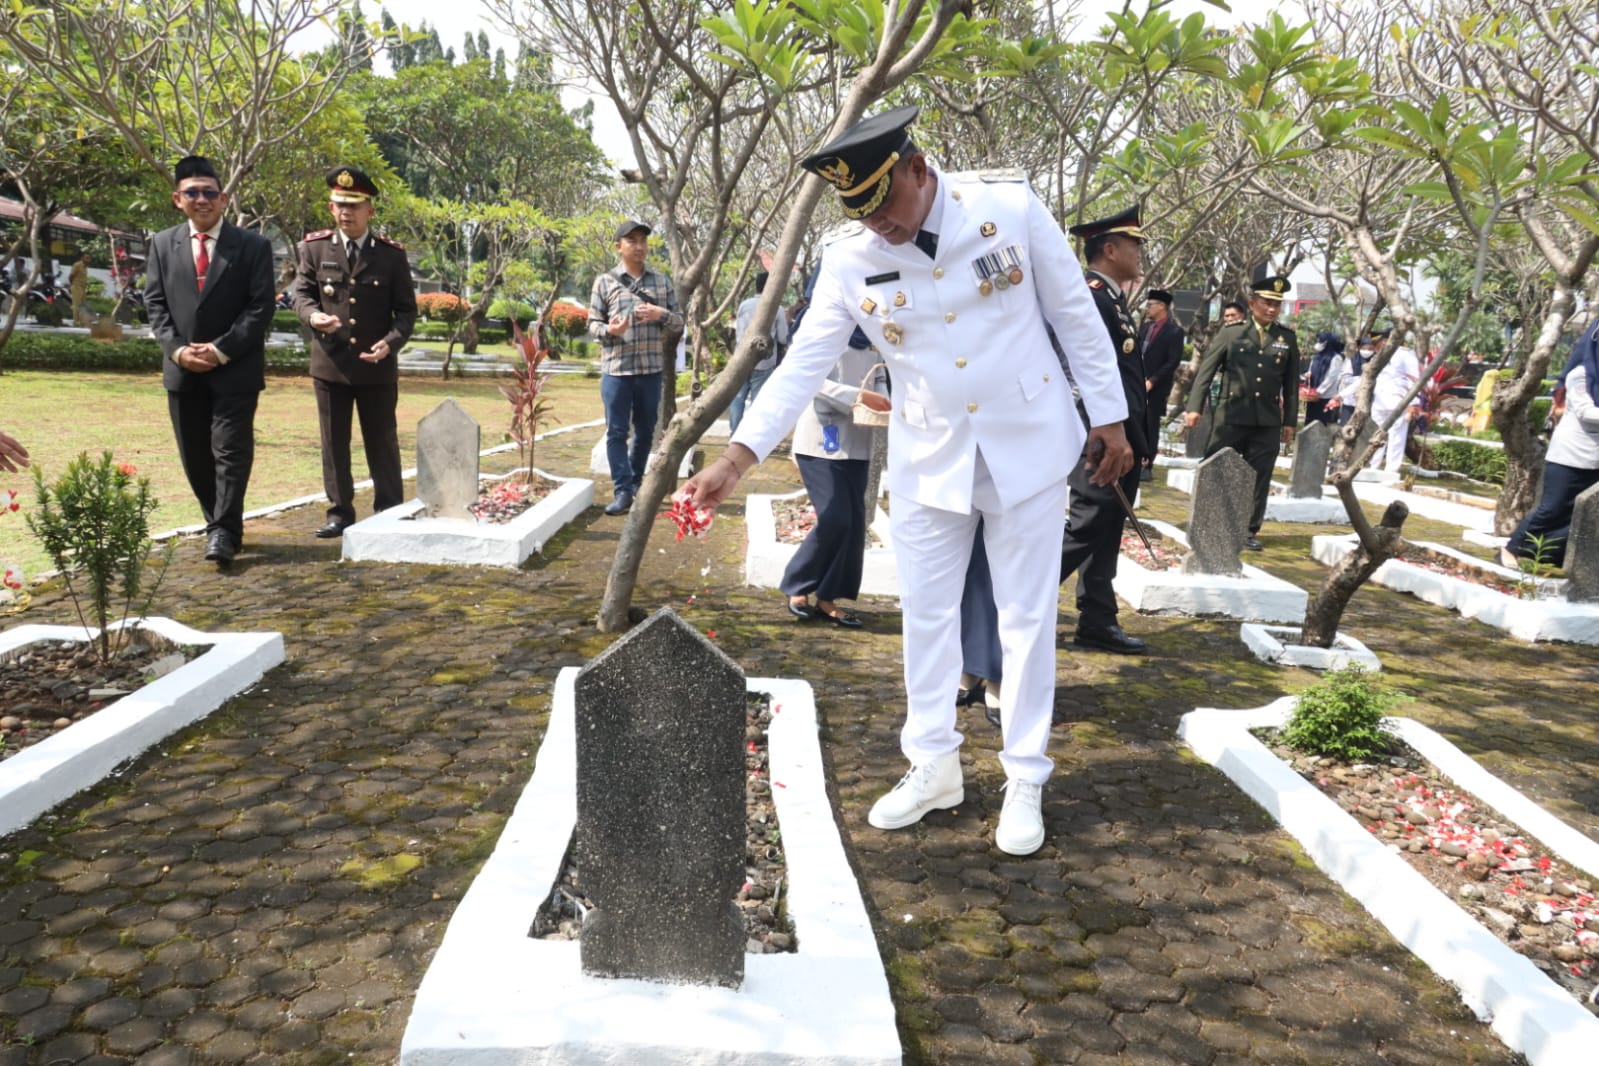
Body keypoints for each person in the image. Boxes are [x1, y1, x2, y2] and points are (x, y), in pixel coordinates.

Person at [678, 106, 1132, 857]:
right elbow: (802, 362)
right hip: (929, 456)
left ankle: (1024, 776)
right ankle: (932, 765)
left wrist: (1108, 418)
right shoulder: (851, 253)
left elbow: (1075, 316)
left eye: (884, 205)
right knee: (926, 617)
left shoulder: (1008, 206)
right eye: (860, 213)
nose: (878, 226)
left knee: (1022, 621)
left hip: (1026, 445)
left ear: (918, 169)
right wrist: (737, 456)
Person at [145, 155, 275, 565]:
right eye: (192, 193)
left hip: (235, 369)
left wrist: (220, 349)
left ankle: (222, 531)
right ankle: (217, 523)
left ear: (224, 198)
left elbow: (260, 308)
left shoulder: (254, 246)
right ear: (177, 199)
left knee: (230, 451)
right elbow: (154, 303)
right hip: (182, 371)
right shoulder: (162, 244)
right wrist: (178, 350)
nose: (202, 200)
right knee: (196, 455)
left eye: (210, 193)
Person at [292, 166, 417, 538]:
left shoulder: (391, 256)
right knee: (333, 443)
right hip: (330, 365)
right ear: (331, 208)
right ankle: (339, 512)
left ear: (371, 211)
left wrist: (391, 343)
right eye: (339, 204)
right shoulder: (313, 248)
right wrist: (314, 316)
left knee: (382, 441)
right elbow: (300, 294)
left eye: (354, 205)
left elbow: (407, 311)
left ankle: (389, 509)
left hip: (376, 366)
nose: (346, 212)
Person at [1184, 276, 1301, 552]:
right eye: (1267, 303)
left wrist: (1289, 422)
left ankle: (1248, 529)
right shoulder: (1231, 333)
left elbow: (1291, 384)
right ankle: (1205, 519)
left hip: (1267, 420)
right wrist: (1193, 407)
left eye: (1277, 304)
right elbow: (1206, 371)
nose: (1272, 309)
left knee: (1260, 476)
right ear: (1253, 304)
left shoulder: (1286, 337)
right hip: (1231, 416)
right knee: (1215, 468)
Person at [780, 345, 887, 627]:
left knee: (853, 524)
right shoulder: (829, 331)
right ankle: (798, 584)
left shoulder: (875, 334)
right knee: (835, 517)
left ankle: (828, 598)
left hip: (859, 443)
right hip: (819, 442)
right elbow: (812, 380)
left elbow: (879, 379)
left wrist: (883, 401)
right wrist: (859, 398)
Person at [587, 219, 683, 515]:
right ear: (619, 247)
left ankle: (636, 483)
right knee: (616, 432)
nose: (639, 246)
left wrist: (661, 313)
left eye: (643, 240)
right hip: (617, 370)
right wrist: (610, 331)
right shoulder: (605, 282)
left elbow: (679, 322)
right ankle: (622, 490)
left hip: (650, 371)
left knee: (645, 430)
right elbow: (592, 323)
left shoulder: (661, 281)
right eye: (632, 241)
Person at [1504, 322, 1599, 568]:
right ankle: (1512, 549)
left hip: (1596, 459)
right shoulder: (1580, 375)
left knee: (1579, 518)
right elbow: (1587, 412)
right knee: (1552, 509)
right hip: (1569, 457)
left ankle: (1546, 555)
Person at [729, 270, 791, 432]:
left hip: (741, 359)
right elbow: (783, 338)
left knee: (738, 398)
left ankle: (734, 434)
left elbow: (738, 332)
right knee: (758, 400)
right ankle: (751, 437)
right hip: (764, 362)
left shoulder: (744, 305)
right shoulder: (777, 309)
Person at [1140, 287, 1185, 476]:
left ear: (1162, 306)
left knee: (1150, 425)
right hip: (1137, 383)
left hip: (1156, 387)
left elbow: (1172, 362)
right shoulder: (1144, 328)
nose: (1147, 309)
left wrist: (1152, 380)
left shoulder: (1174, 332)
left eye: (1150, 305)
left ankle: (1147, 465)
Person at [1369, 332, 1421, 474]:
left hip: (1398, 403)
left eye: (1377, 343)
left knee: (1396, 438)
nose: (1375, 346)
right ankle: (1372, 466)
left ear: (1386, 340)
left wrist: (1414, 403)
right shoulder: (1379, 355)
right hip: (1379, 402)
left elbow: (1415, 380)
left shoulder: (1406, 355)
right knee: (1376, 435)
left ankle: (1391, 470)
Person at [1303, 331, 1346, 425]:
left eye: (1320, 341)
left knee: (1322, 423)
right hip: (1312, 395)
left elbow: (1332, 377)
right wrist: (1308, 374)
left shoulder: (1336, 358)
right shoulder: (1316, 356)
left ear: (1328, 343)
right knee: (1310, 421)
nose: (1318, 343)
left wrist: (1319, 391)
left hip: (1326, 396)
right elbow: (1311, 369)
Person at [68, 252, 91, 326]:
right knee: (76, 305)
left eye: (89, 258)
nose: (88, 259)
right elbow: (71, 276)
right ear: (82, 258)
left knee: (83, 305)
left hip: (83, 288)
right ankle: (76, 321)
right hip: (76, 286)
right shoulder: (77, 265)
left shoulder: (85, 267)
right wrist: (72, 284)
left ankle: (82, 321)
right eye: (86, 257)